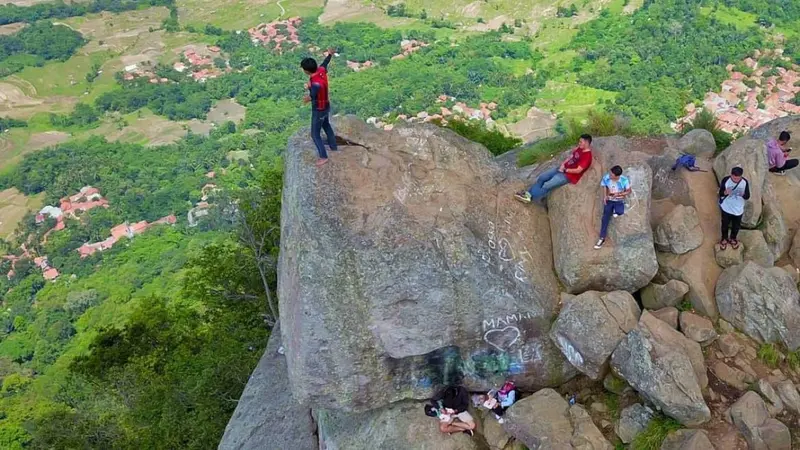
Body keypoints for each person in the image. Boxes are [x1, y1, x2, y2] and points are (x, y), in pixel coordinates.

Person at [515, 134, 593, 205]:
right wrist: (563, 164)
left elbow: (578, 170)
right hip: (561, 168)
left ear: (586, 143)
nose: (579, 143)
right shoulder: (579, 149)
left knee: (547, 185)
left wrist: (565, 170)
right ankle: (528, 194)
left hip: (568, 176)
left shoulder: (587, 156)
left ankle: (529, 196)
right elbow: (571, 157)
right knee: (542, 177)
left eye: (581, 142)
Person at [301, 49, 338, 167]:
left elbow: (313, 95)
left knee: (315, 134)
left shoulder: (315, 83)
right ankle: (333, 146)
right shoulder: (321, 70)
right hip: (326, 105)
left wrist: (308, 90)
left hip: (319, 108)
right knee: (326, 125)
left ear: (306, 71)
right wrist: (330, 55)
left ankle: (323, 156)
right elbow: (325, 63)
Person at [594, 165, 632, 249]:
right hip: (609, 200)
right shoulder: (606, 177)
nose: (610, 176)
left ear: (617, 176)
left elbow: (629, 191)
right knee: (605, 218)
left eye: (612, 175)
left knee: (619, 212)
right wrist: (605, 196)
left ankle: (616, 211)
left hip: (618, 200)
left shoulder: (624, 180)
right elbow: (604, 186)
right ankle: (602, 238)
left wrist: (619, 194)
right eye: (610, 173)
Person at [718, 166, 751, 250]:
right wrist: (725, 192)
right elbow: (721, 193)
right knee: (725, 225)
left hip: (738, 208)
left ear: (741, 176)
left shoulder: (744, 182)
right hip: (726, 207)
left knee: (736, 226)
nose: (736, 180)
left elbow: (747, 196)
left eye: (738, 178)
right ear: (731, 175)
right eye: (734, 178)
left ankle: (733, 238)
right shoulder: (726, 180)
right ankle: (724, 239)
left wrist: (743, 194)